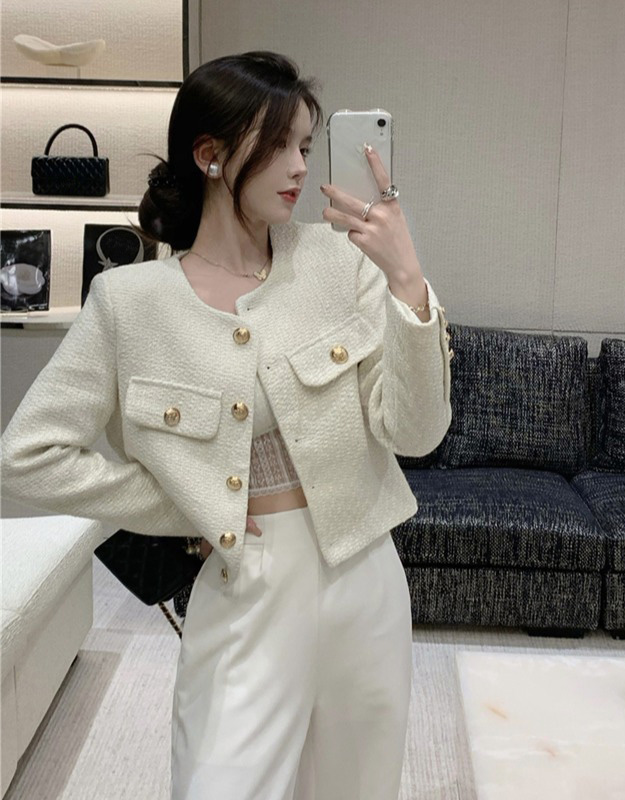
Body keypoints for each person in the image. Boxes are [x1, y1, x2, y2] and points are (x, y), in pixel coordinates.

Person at [0, 51, 452, 799]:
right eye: (277, 144)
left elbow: (417, 434)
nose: (299, 166)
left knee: (357, 787)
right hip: (245, 584)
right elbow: (28, 455)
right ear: (209, 154)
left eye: (305, 144)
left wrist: (408, 281)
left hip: (364, 577)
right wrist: (188, 504)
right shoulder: (130, 303)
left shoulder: (341, 264)